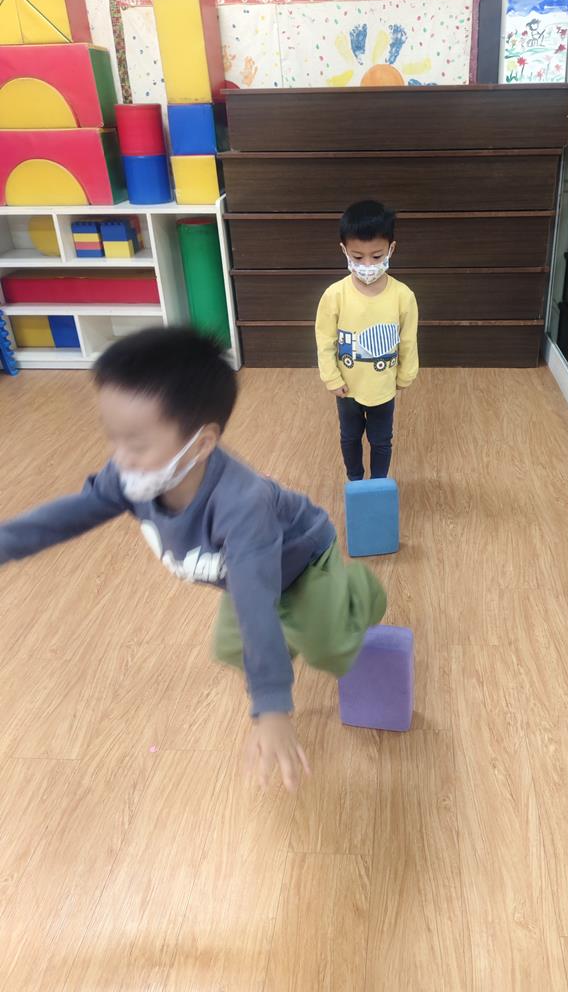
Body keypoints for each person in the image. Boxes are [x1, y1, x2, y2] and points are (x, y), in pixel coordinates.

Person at [0, 327, 386, 793]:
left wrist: (272, 709)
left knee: (327, 648)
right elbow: (68, 515)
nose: (120, 460)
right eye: (113, 439)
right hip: (242, 574)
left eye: (137, 444)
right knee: (230, 648)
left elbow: (255, 606)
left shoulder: (241, 505)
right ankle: (286, 641)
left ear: (202, 443)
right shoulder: (132, 476)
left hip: (301, 562)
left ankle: (361, 593)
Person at [315, 199, 419, 481]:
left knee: (381, 440)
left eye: (376, 256)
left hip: (384, 387)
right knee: (350, 438)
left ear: (391, 249)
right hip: (347, 389)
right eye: (358, 257)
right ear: (344, 251)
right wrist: (331, 377)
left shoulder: (403, 296)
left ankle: (378, 483)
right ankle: (355, 480)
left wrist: (406, 375)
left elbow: (408, 340)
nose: (368, 265)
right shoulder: (334, 295)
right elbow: (325, 340)